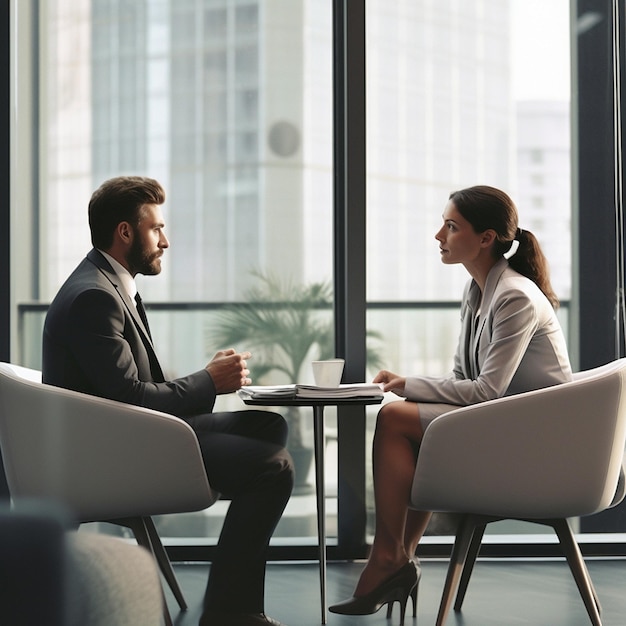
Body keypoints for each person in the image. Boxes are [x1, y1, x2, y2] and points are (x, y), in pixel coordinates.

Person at [42, 175, 294, 626]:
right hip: (116, 452)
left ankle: (232, 596)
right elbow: (130, 398)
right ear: (125, 232)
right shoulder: (95, 298)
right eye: (156, 228)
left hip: (123, 433)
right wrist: (208, 382)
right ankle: (229, 611)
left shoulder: (106, 285)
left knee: (269, 428)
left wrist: (207, 380)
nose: (166, 240)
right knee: (273, 468)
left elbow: (124, 390)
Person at [329, 185, 572, 620]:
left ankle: (390, 558)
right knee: (404, 422)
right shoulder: (477, 291)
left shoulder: (514, 295)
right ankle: (395, 557)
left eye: (452, 226)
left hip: (544, 450)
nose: (438, 234)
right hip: (508, 428)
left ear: (486, 238)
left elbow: (487, 391)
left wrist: (408, 387)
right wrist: (409, 382)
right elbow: (465, 379)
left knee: (395, 417)